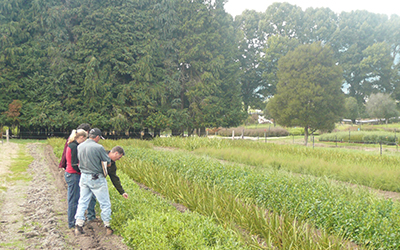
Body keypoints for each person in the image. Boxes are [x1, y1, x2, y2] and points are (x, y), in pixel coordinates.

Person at [74, 128, 113, 236]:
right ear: (97, 137)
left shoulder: (80, 146)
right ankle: (107, 225)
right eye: (99, 138)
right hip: (96, 178)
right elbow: (107, 162)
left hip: (84, 177)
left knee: (83, 201)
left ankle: (78, 225)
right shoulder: (98, 147)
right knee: (104, 202)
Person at [86, 146, 128, 222]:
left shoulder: (112, 164)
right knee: (86, 198)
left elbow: (114, 178)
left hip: (98, 180)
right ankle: (100, 220)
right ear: (116, 153)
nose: (119, 159)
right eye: (119, 157)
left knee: (93, 198)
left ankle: (91, 217)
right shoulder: (101, 154)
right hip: (89, 177)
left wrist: (122, 192)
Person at [64, 129, 88, 229]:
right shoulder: (74, 146)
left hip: (71, 174)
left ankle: (73, 220)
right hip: (73, 175)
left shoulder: (71, 145)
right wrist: (82, 171)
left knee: (74, 198)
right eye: (85, 139)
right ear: (81, 137)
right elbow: (74, 164)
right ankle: (72, 222)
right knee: (73, 200)